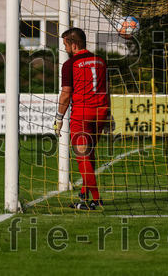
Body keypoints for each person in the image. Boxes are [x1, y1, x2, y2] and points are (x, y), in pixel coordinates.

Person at [54, 28, 114, 210]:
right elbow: (107, 89)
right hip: (100, 113)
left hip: (82, 114)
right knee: (90, 154)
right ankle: (84, 193)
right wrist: (109, 115)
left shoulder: (70, 64)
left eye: (65, 45)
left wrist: (58, 118)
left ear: (73, 45)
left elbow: (66, 94)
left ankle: (95, 199)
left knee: (82, 156)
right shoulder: (100, 61)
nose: (65, 49)